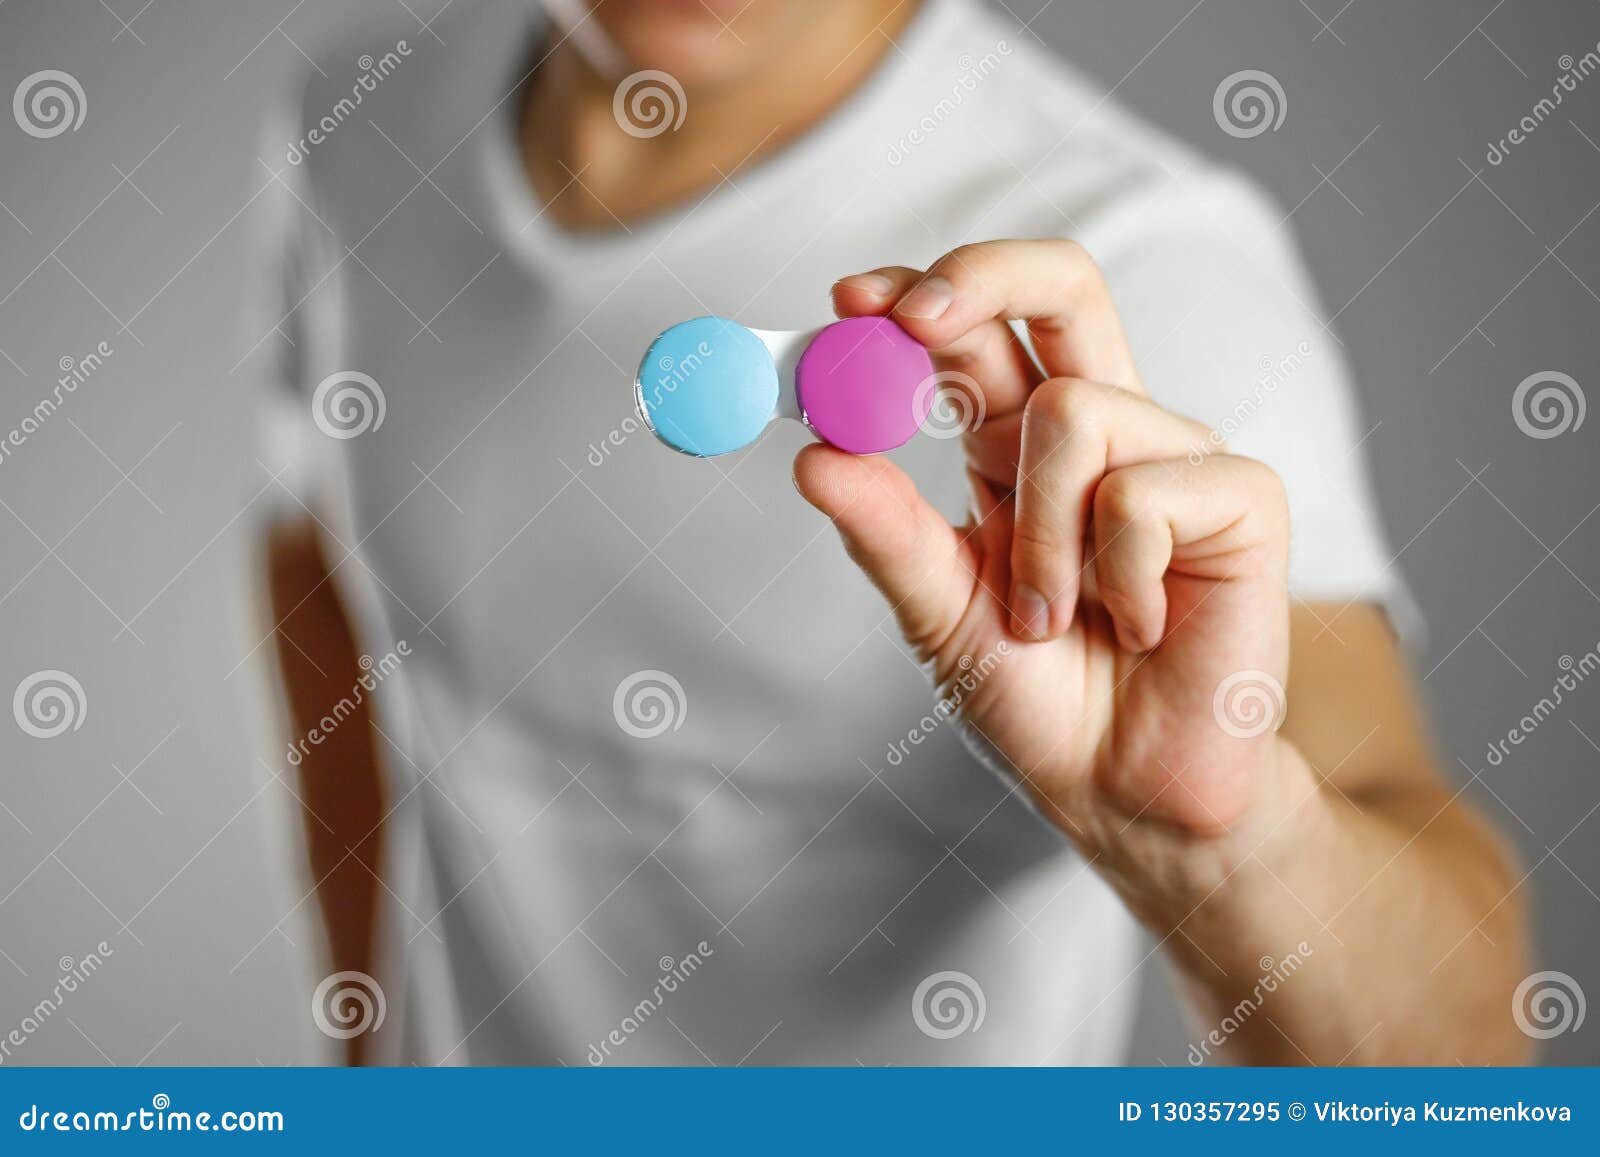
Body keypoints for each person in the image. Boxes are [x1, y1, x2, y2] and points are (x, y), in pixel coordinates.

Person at [248, 0, 1528, 1065]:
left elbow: (1463, 1058)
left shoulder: (1142, 268)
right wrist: (361, 1045)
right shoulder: (361, 118)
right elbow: (322, 577)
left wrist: (1216, 854)